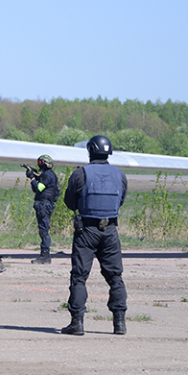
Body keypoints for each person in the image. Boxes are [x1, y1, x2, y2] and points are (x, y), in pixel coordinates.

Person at [61, 135, 128, 336]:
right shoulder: (120, 174)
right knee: (115, 276)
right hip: (110, 230)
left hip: (86, 231)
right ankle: (119, 323)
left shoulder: (81, 174)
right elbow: (121, 200)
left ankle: (77, 322)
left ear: (90, 150)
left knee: (79, 277)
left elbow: (69, 202)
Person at [28, 154, 60, 264]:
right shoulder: (49, 175)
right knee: (43, 229)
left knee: (44, 230)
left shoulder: (47, 176)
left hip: (44, 205)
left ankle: (45, 255)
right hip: (45, 205)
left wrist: (32, 179)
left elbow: (38, 188)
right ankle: (44, 254)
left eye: (41, 163)